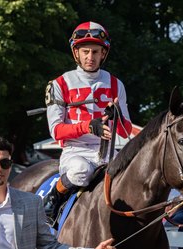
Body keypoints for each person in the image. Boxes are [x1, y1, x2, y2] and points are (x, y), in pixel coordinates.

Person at [45, 21, 132, 222]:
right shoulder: (59, 83)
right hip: (75, 151)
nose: (90, 57)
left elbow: (126, 131)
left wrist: (116, 114)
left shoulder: (115, 83)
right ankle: (54, 197)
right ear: (76, 53)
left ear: (104, 53)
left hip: (107, 152)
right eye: (85, 52)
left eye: (95, 52)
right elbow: (56, 131)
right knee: (80, 171)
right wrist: (88, 126)